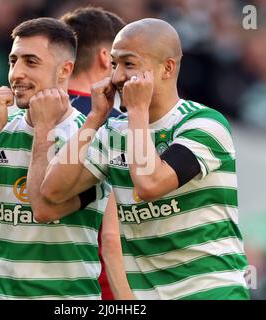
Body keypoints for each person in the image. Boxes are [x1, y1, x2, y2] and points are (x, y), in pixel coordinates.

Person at [39, 18, 250, 299]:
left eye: (129, 64)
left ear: (167, 68)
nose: (116, 77)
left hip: (211, 292)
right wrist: (94, 118)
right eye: (114, 65)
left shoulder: (203, 124)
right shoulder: (114, 131)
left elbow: (150, 184)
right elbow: (53, 190)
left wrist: (137, 112)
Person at [0, 17, 128, 299]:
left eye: (31, 62)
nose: (16, 73)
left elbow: (45, 208)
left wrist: (43, 130)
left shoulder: (92, 136)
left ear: (65, 70)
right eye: (13, 60)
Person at [60, 6, 125, 300]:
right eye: (123, 58)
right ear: (104, 57)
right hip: (98, 287)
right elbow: (113, 237)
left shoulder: (24, 119)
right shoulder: (117, 125)